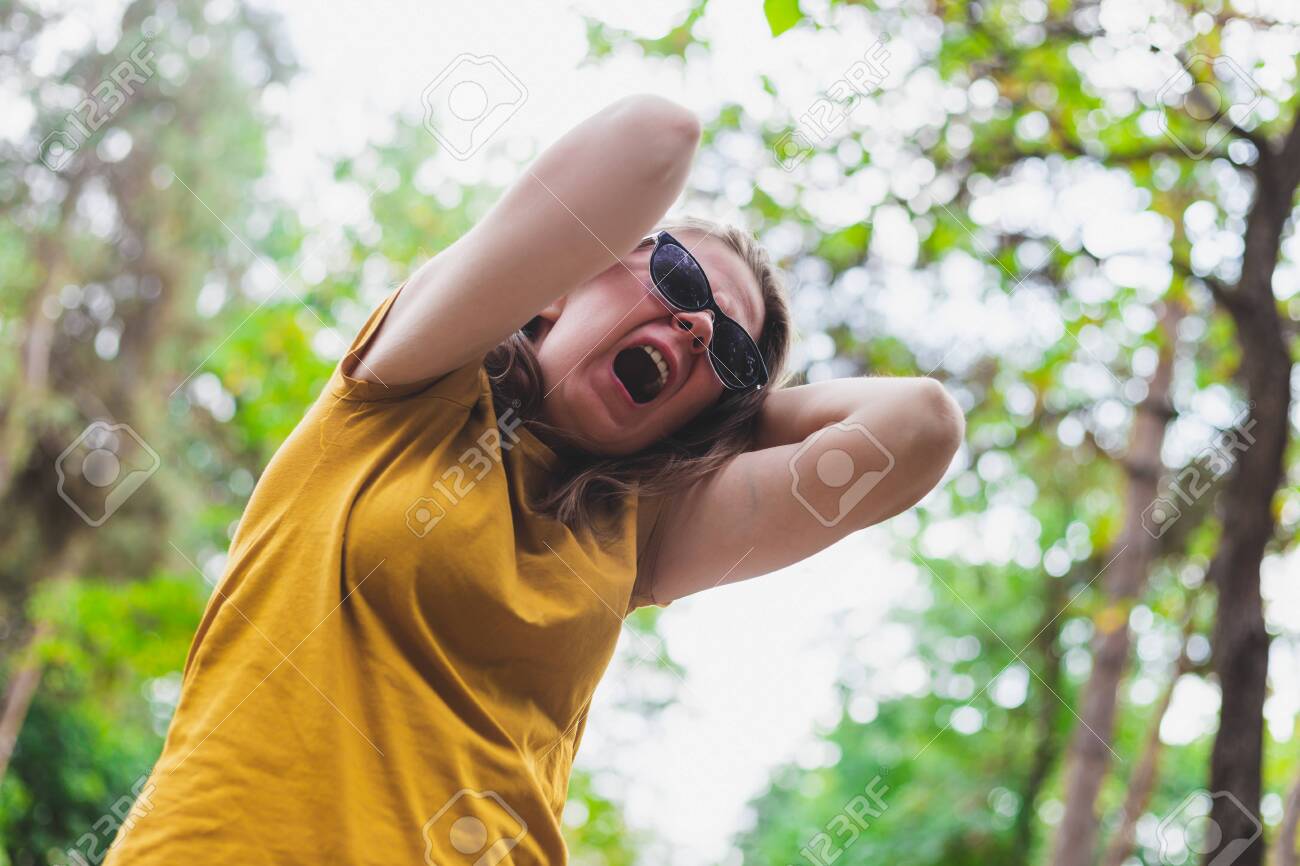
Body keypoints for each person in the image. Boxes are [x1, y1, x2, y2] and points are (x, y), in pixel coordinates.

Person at [105, 94, 964, 865]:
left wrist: (726, 413)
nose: (701, 326)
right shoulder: (409, 387)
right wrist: (718, 381)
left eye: (732, 350)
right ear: (562, 287)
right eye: (677, 277)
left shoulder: (645, 536)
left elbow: (921, 427)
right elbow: (656, 136)